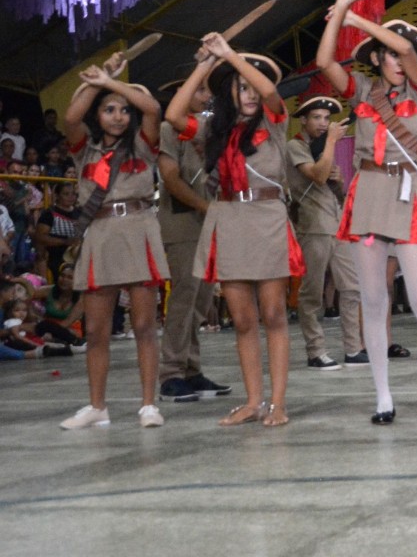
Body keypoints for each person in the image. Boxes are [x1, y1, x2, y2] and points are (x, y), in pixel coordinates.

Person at [317, 0, 417, 425]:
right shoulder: (361, 90)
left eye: (405, 54)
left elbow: (406, 49)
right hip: (370, 192)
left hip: (409, 191)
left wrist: (358, 18)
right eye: (391, 55)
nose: (401, 60)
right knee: (372, 300)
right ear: (376, 59)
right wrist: (340, 8)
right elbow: (323, 62)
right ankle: (382, 397)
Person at [166, 35, 300, 428]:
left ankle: (277, 404)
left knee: (273, 314)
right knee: (242, 320)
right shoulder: (213, 130)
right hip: (229, 217)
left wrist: (233, 57)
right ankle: (253, 401)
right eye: (242, 85)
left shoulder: (275, 122)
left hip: (267, 216)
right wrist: (206, 64)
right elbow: (174, 114)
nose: (251, 92)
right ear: (229, 90)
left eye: (253, 84)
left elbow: (271, 91)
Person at [59, 55, 170, 430]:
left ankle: (148, 405)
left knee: (143, 324)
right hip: (102, 234)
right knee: (95, 329)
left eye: (123, 110)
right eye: (109, 110)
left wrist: (113, 80)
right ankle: (97, 406)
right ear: (98, 114)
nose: (118, 116)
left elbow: (152, 107)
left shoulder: (143, 144)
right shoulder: (84, 149)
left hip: (139, 228)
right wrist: (97, 81)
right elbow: (71, 118)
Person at [156, 76, 233, 403]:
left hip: (207, 220)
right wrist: (206, 207)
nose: (206, 97)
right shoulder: (168, 130)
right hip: (182, 220)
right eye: (200, 90)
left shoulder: (210, 129)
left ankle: (191, 369)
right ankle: (170, 374)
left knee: (201, 300)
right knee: (184, 297)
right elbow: (171, 179)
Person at [286, 96, 361, 370]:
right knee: (312, 293)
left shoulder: (323, 150)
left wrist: (338, 182)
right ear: (303, 120)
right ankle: (316, 351)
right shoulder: (295, 146)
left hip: (336, 224)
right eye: (316, 118)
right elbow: (316, 176)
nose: (322, 123)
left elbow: (335, 193)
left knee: (351, 288)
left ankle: (353, 349)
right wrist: (331, 142)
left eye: (326, 119)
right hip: (313, 226)